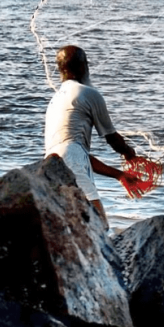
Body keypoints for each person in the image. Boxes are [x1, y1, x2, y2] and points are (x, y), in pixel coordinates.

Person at [44, 45, 141, 227]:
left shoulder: (55, 99)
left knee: (71, 225)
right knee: (100, 224)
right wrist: (129, 153)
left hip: (49, 165)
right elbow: (111, 138)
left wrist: (119, 175)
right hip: (71, 160)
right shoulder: (88, 93)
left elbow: (74, 152)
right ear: (82, 67)